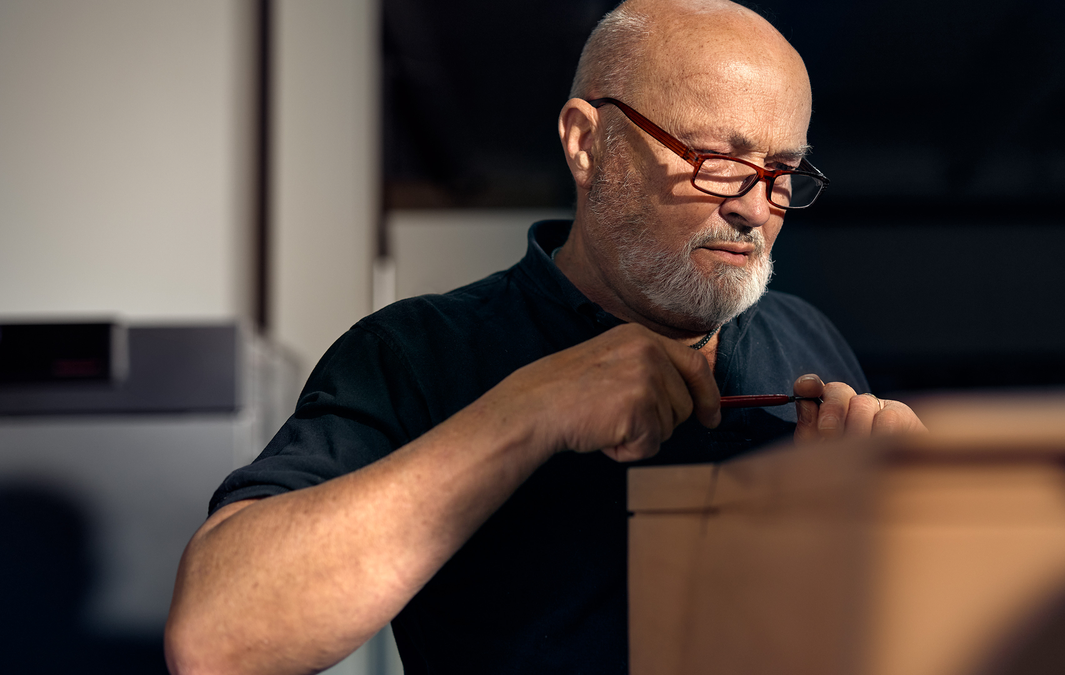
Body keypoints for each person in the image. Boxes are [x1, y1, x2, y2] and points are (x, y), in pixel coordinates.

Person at [165, 1, 925, 673]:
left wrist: (918, 518)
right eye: (718, 161)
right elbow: (218, 640)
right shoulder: (416, 354)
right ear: (587, 144)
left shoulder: (806, 337)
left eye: (782, 170)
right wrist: (531, 410)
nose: (756, 207)